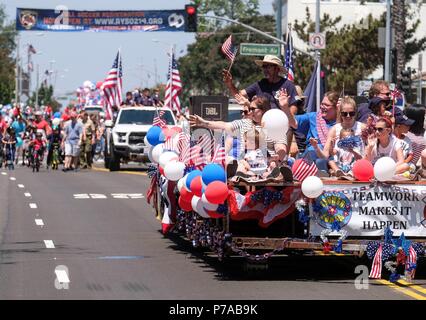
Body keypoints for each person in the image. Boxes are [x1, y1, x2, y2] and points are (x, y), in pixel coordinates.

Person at [222, 55, 298, 110]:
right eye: (264, 67)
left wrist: (288, 121)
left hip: (282, 126)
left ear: (277, 69)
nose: (265, 70)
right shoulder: (260, 84)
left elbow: (294, 106)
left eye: (268, 66)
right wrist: (230, 84)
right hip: (262, 127)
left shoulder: (288, 85)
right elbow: (239, 96)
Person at [294, 91, 340, 172]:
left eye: (327, 105)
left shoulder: (344, 121)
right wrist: (285, 108)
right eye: (322, 104)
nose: (322, 107)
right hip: (312, 160)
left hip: (335, 159)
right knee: (317, 153)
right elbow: (293, 121)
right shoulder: (313, 117)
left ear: (336, 108)